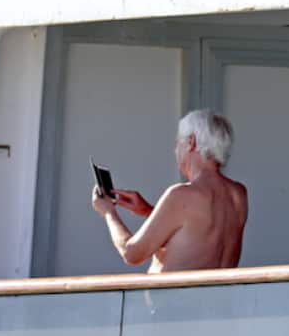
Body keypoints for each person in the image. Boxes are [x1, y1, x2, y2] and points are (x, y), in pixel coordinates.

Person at [90, 109, 248, 272]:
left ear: (191, 142)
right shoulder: (238, 194)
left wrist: (108, 212)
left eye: (178, 143)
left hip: (176, 289)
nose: (175, 150)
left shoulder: (181, 195)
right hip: (218, 289)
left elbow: (131, 254)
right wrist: (147, 211)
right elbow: (196, 235)